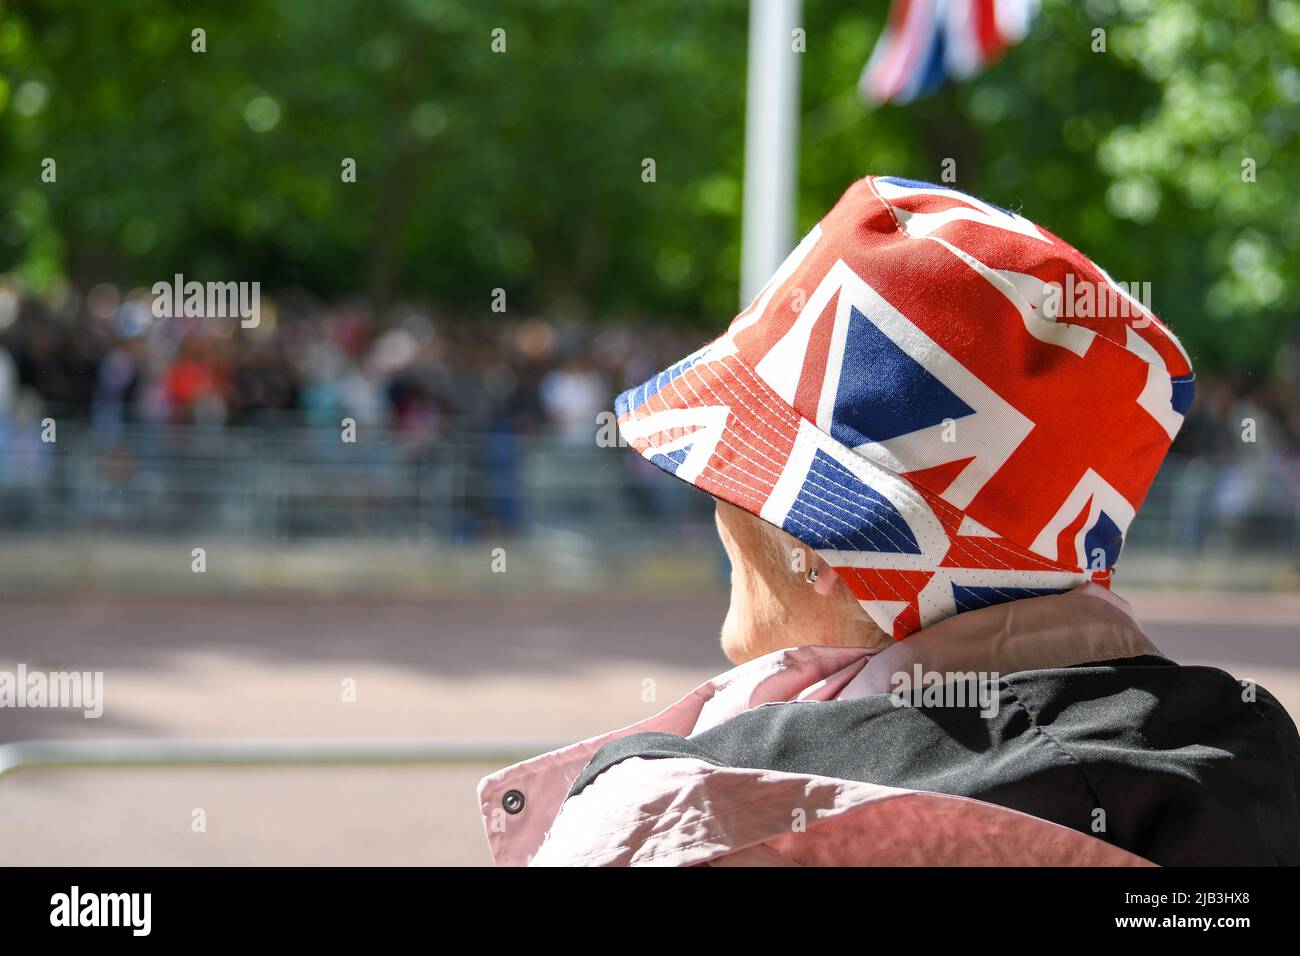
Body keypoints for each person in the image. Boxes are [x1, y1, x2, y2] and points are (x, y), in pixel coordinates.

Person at [477, 176, 1300, 866]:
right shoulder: (1253, 761)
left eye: (726, 473)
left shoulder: (690, 816)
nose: (714, 504)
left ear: (821, 540)